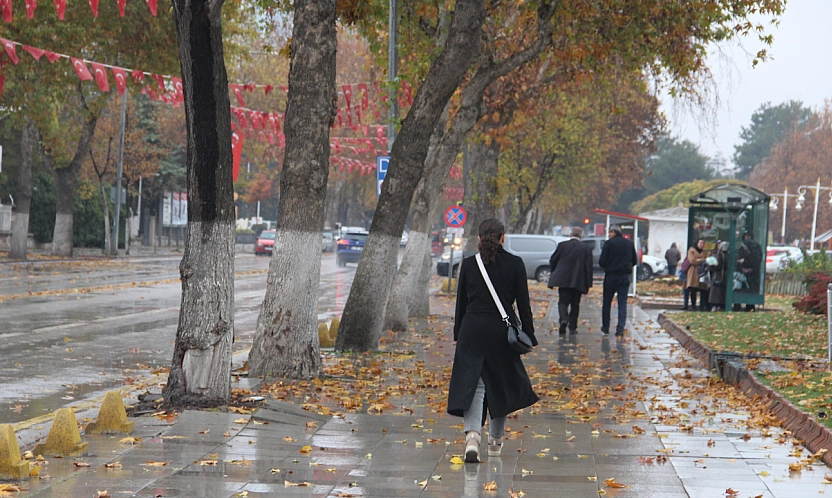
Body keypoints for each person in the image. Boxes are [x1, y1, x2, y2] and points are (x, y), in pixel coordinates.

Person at [447, 218, 539, 463]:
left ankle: (472, 438)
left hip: (472, 328)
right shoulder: (516, 264)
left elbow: (461, 304)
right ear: (503, 237)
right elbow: (523, 304)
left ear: (479, 238)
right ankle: (496, 442)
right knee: (501, 384)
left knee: (474, 384)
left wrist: (459, 332)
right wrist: (529, 335)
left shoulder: (468, 265)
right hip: (501, 332)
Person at [547, 226, 593, 335]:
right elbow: (588, 267)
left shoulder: (562, 245)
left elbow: (553, 260)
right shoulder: (586, 248)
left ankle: (563, 319)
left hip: (563, 279)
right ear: (581, 236)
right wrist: (588, 284)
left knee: (563, 301)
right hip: (578, 280)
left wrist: (555, 272)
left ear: (571, 235)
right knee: (575, 304)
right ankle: (573, 327)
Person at [599, 224, 638, 337]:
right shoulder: (629, 243)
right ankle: (620, 327)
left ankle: (606, 326)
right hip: (624, 277)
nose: (608, 235)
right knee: (622, 303)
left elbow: (602, 261)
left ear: (614, 232)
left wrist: (609, 266)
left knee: (607, 302)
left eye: (609, 232)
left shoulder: (609, 243)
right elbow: (634, 260)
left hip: (611, 276)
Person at [740, 232, 762, 311]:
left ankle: (749, 306)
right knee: (746, 289)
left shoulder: (754, 247)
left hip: (751, 272)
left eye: (748, 236)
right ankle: (747, 306)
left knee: (748, 289)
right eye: (746, 236)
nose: (747, 238)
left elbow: (758, 259)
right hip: (750, 272)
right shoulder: (756, 247)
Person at [685, 239, 708, 311]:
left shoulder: (705, 252)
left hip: (702, 272)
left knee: (703, 289)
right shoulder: (691, 251)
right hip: (693, 272)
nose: (702, 244)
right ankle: (693, 306)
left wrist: (699, 259)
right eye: (700, 243)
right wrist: (702, 260)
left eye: (703, 243)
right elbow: (692, 261)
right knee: (693, 289)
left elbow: (707, 259)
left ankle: (703, 306)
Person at [708, 241, 729, 311]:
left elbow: (717, 265)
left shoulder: (719, 254)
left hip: (718, 276)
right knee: (722, 293)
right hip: (725, 276)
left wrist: (711, 265)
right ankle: (721, 306)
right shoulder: (728, 254)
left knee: (716, 292)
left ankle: (715, 306)